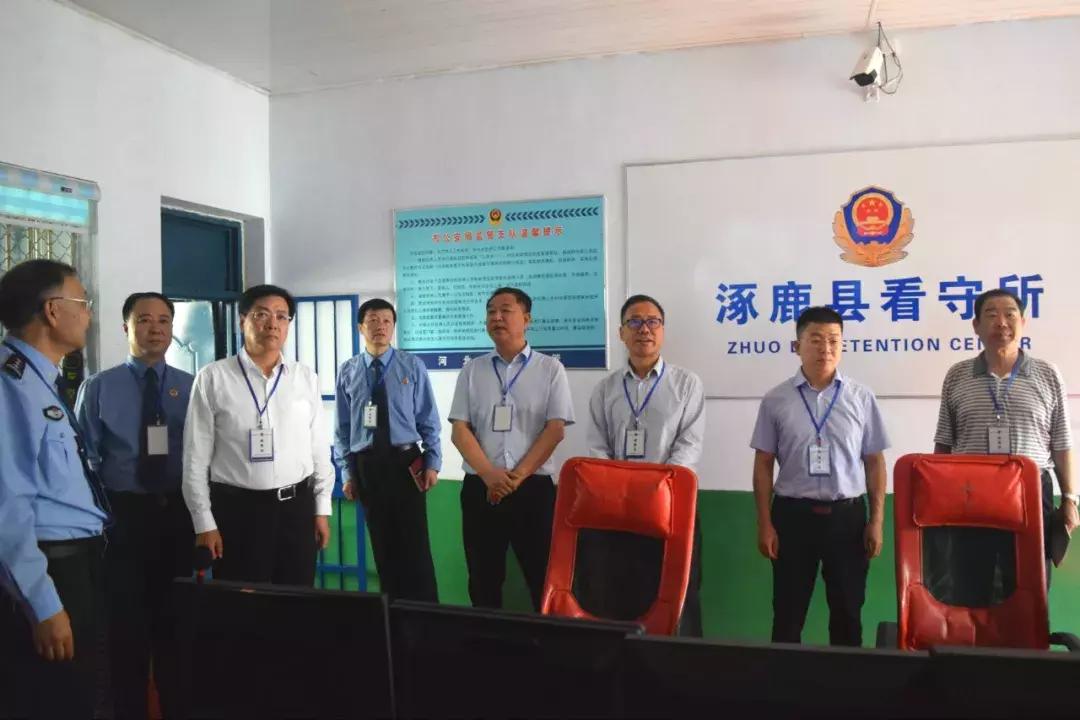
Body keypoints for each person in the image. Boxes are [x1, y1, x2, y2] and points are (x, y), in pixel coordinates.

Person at [75, 291, 194, 719]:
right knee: (125, 629)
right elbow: (84, 460)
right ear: (126, 327)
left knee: (176, 624)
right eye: (144, 320)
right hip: (122, 518)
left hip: (177, 516)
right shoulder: (99, 387)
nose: (155, 329)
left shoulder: (191, 387)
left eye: (163, 320)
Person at [0, 259, 110, 719]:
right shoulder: (11, 386)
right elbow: (7, 508)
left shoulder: (42, 379)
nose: (88, 314)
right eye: (82, 301)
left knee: (80, 695)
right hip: (49, 570)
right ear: (52, 310)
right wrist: (43, 605)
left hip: (76, 563)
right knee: (55, 700)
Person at [751, 306, 888, 646]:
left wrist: (876, 521)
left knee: (848, 613)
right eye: (815, 339)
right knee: (787, 613)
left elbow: (874, 462)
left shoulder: (861, 397)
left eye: (833, 340)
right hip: (792, 517)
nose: (825, 348)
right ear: (797, 346)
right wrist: (765, 523)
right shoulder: (775, 399)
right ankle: (785, 677)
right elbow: (763, 464)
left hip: (847, 518)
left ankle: (845, 679)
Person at [182, 284, 334, 585]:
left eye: (281, 316)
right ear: (243, 321)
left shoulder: (305, 378)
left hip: (296, 510)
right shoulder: (213, 378)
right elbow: (194, 458)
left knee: (296, 598)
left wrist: (321, 509)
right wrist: (204, 522)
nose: (272, 324)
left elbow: (319, 448)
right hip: (238, 513)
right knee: (243, 604)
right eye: (262, 314)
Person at [934, 288, 1077, 587]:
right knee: (971, 585)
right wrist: (941, 500)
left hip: (1030, 492)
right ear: (976, 326)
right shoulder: (957, 375)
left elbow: (1062, 443)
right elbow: (943, 444)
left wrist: (1069, 499)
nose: (1001, 322)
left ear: (1023, 322)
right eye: (991, 314)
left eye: (1010, 314)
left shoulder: (1048, 374)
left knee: (1029, 586)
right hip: (970, 495)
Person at [585, 294, 706, 635]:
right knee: (619, 596)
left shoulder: (687, 384)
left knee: (679, 598)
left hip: (672, 509)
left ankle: (679, 664)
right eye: (635, 322)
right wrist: (623, 492)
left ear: (663, 331)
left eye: (653, 322)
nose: (644, 329)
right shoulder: (605, 389)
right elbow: (597, 448)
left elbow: (688, 448)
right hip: (618, 513)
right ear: (621, 333)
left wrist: (653, 491)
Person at [449, 287, 574, 610]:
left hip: (533, 489)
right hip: (481, 489)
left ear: (527, 319)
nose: (497, 317)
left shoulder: (550, 369)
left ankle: (546, 640)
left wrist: (516, 477)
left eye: (506, 310)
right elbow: (460, 430)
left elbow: (555, 429)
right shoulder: (472, 370)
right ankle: (486, 639)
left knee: (542, 578)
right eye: (491, 311)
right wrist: (490, 475)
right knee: (483, 579)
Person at [335, 298, 442, 601]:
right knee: (382, 545)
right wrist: (347, 473)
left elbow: (428, 418)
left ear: (393, 327)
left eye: (386, 320)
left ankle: (425, 614)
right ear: (361, 327)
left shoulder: (411, 365)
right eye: (372, 320)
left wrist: (433, 461)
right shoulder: (348, 370)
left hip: (406, 462)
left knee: (415, 545)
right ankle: (391, 614)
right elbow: (343, 427)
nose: (379, 326)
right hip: (367, 464)